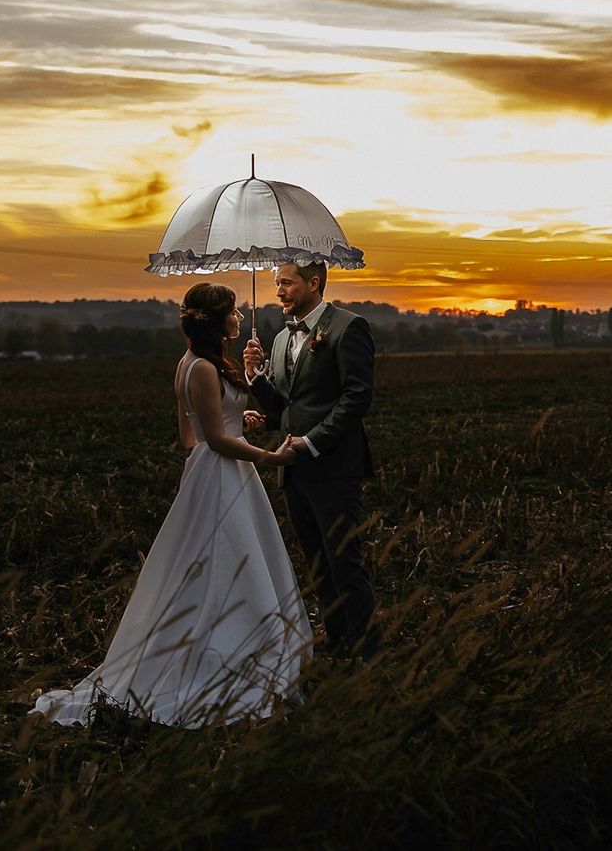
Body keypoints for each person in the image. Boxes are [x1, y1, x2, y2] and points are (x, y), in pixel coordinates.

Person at [31, 282, 311, 727]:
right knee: (229, 565)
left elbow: (191, 436)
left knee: (218, 563)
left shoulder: (194, 364)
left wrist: (243, 419)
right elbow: (215, 440)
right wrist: (267, 454)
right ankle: (228, 662)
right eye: (234, 312)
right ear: (218, 320)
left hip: (211, 472)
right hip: (222, 477)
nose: (239, 318)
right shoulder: (201, 368)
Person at [245, 259, 378, 660]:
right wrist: (254, 380)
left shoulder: (349, 327)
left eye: (286, 283)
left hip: (334, 467)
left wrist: (312, 441)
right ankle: (337, 646)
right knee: (318, 564)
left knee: (345, 563)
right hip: (293, 469)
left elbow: (357, 398)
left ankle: (368, 653)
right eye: (275, 284)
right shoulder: (281, 339)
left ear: (314, 282)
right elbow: (286, 405)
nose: (279, 291)